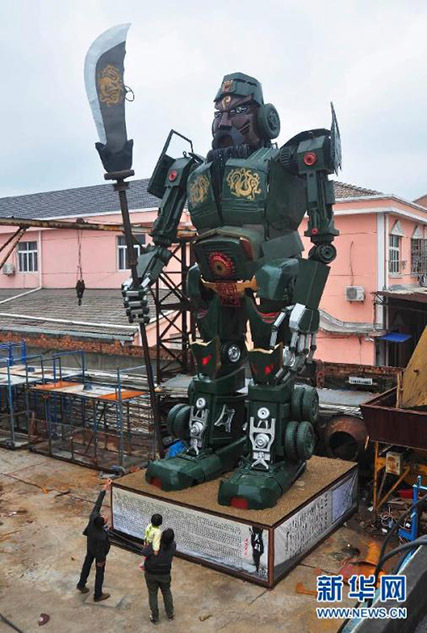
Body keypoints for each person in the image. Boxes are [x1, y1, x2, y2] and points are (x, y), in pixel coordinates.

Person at [76, 478, 112, 602]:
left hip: (90, 546)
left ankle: (81, 584)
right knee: (99, 572)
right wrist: (101, 560)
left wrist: (104, 488)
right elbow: (102, 549)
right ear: (102, 524)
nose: (105, 516)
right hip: (99, 552)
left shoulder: (93, 518)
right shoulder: (101, 536)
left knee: (87, 564)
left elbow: (98, 504)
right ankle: (98, 594)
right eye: (105, 518)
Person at [142, 528, 176, 624]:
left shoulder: (154, 545)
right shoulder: (173, 545)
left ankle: (155, 617)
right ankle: (170, 614)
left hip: (151, 573)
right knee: (166, 592)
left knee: (153, 594)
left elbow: (144, 552)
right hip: (165, 573)